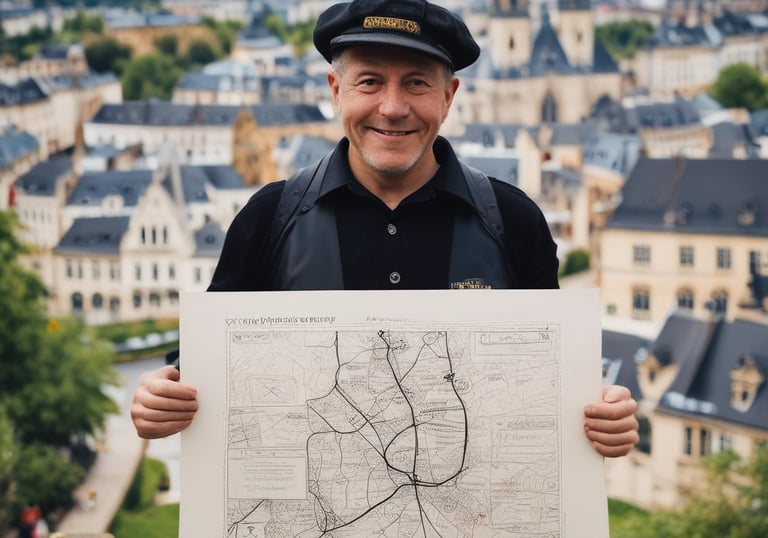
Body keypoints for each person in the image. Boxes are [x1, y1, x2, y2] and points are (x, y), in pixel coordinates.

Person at [131, 0, 639, 459]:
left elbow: (557, 381)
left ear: (448, 96)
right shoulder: (268, 218)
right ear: (336, 91)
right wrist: (162, 395)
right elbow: (202, 365)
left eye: (416, 82)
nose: (392, 107)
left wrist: (604, 414)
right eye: (369, 81)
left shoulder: (515, 221)